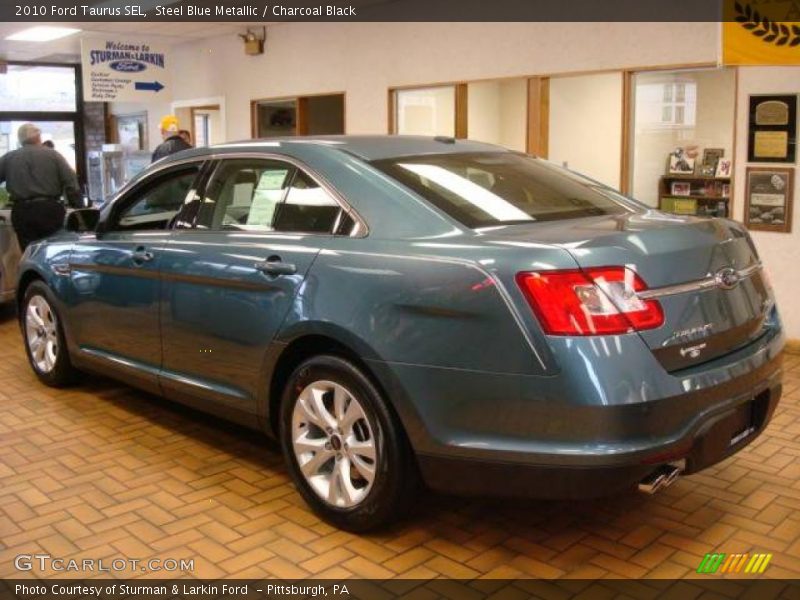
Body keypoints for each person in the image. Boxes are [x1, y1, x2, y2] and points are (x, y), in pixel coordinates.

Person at [0, 123, 80, 251]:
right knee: (52, 251)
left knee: (29, 252)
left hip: (22, 211)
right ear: (38, 138)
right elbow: (71, 182)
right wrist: (77, 204)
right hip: (49, 210)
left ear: (20, 139)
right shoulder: (54, 155)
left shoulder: (9, 158)